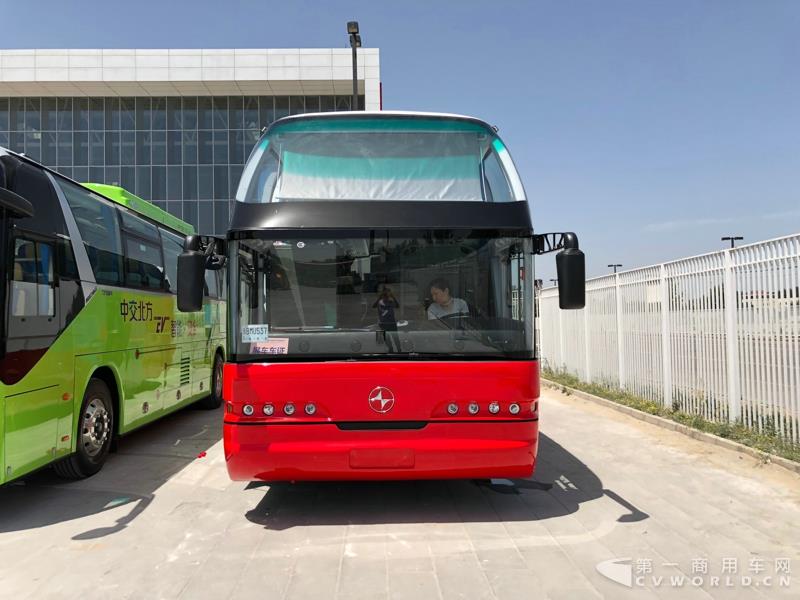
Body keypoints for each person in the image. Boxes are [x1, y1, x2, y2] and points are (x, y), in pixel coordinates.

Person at [373, 286, 400, 352]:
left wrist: (393, 297)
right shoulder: (379, 302)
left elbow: (397, 306)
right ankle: (390, 349)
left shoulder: (391, 301)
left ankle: (399, 349)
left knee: (395, 337)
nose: (385, 296)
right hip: (383, 324)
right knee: (387, 338)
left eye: (387, 294)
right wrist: (379, 297)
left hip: (391, 323)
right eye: (384, 294)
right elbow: (373, 306)